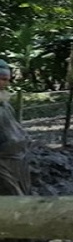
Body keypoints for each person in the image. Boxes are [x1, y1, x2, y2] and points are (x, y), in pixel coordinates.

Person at [0, 59, 31, 196]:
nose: (5, 83)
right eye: (1, 79)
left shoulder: (4, 103)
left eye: (7, 79)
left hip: (17, 157)